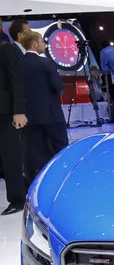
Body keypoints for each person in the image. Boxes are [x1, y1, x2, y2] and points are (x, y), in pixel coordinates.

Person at [18, 30, 68, 185]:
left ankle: (40, 183)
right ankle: (63, 179)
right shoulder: (45, 63)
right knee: (60, 148)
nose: (45, 45)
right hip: (51, 114)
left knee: (36, 150)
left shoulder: (18, 64)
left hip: (29, 115)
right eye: (42, 42)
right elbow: (58, 86)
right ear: (34, 44)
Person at [0, 19, 29, 215]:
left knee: (10, 154)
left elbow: (16, 81)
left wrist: (18, 110)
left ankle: (18, 199)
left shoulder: (6, 48)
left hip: (5, 110)